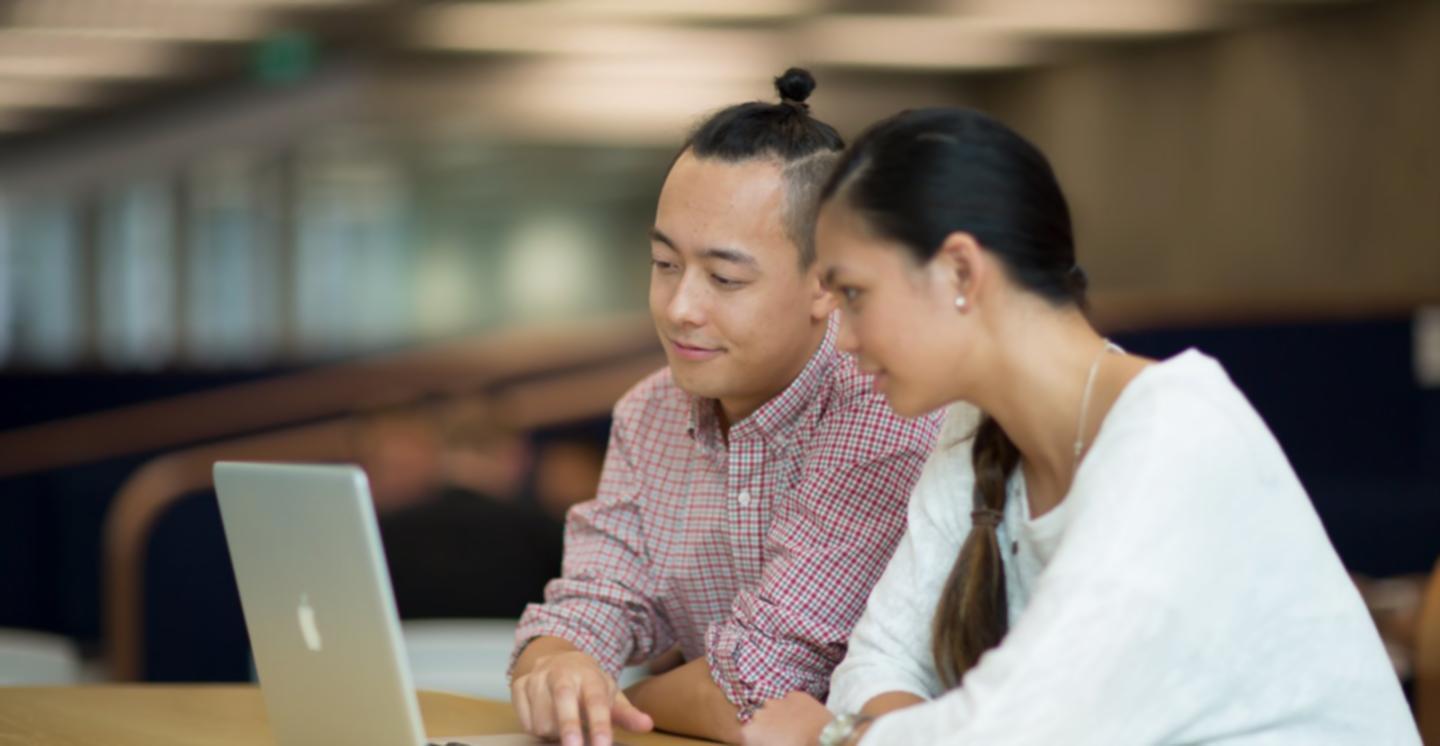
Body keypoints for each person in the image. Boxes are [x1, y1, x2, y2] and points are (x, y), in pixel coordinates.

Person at [746, 107, 1421, 745]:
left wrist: (840, 735)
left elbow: (1030, 727)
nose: (845, 338)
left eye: (855, 294)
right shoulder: (974, 428)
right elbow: (878, 663)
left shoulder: (1178, 433)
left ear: (960, 271)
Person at [507, 70, 943, 746]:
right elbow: (591, 602)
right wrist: (560, 667)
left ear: (827, 281)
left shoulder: (885, 409)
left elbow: (758, 690)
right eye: (664, 264)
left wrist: (625, 698)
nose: (680, 308)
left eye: (724, 277)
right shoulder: (649, 412)